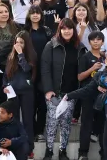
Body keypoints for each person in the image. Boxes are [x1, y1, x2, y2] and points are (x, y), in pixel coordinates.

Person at [40, 18, 87, 160]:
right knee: (52, 123)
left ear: (74, 30)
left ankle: (62, 151)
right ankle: (49, 151)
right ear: (59, 30)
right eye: (64, 28)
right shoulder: (51, 45)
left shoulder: (79, 47)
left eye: (70, 28)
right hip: (54, 92)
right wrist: (48, 90)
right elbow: (45, 68)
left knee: (66, 124)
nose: (67, 31)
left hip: (70, 93)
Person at [3, 31, 38, 159]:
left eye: (21, 43)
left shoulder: (31, 55)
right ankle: (16, 147)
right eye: (17, 42)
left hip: (27, 91)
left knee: (28, 120)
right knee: (14, 120)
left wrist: (21, 54)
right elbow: (6, 74)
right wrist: (5, 86)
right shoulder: (11, 56)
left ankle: (29, 148)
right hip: (13, 92)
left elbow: (27, 69)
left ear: (26, 44)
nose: (18, 45)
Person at [24, 5, 54, 142]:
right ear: (29, 16)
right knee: (30, 102)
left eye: (38, 13)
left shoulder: (46, 31)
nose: (35, 15)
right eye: (33, 13)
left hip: (44, 70)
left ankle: (40, 131)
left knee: (42, 102)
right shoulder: (24, 31)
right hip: (28, 70)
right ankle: (31, 130)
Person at [76, 31, 106, 160]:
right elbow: (79, 77)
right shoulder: (85, 57)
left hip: (104, 95)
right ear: (89, 42)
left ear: (102, 42)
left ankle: (104, 153)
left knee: (104, 124)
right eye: (93, 39)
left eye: (99, 39)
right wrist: (92, 68)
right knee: (86, 124)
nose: (96, 41)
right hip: (88, 94)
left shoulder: (106, 57)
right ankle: (83, 153)